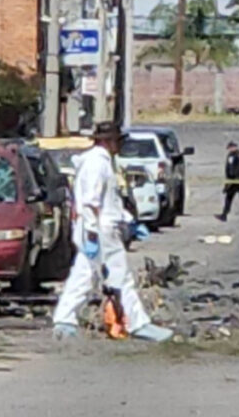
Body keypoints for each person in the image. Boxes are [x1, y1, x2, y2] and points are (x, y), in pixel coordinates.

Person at [52, 122, 173, 342]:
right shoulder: (98, 164)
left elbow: (109, 201)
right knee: (120, 277)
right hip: (101, 230)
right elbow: (91, 202)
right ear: (107, 141)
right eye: (117, 141)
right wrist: (91, 233)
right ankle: (138, 324)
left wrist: (128, 220)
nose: (119, 145)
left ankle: (64, 320)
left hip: (98, 228)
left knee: (84, 275)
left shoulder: (97, 162)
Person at [217, 141, 239, 223]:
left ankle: (225, 215)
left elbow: (234, 169)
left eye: (230, 148)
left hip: (236, 180)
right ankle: (225, 215)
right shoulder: (238, 155)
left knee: (234, 198)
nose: (229, 149)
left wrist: (231, 180)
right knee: (235, 198)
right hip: (238, 180)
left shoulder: (236, 156)